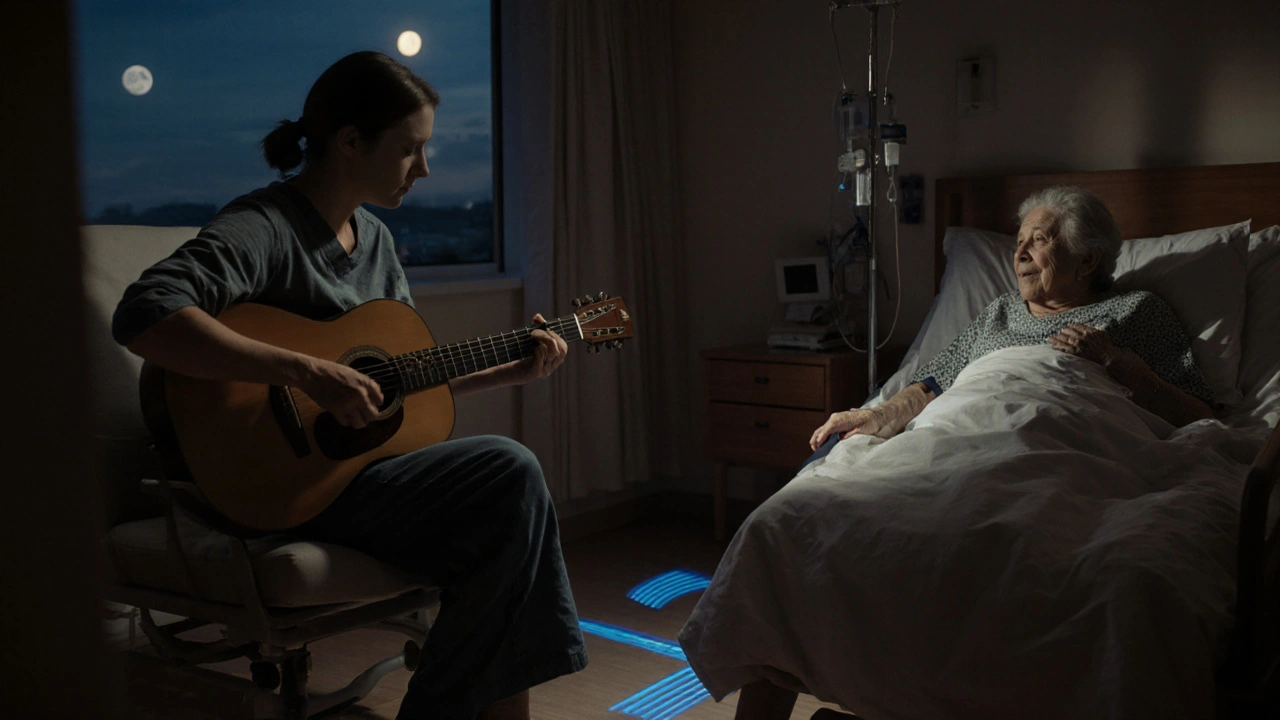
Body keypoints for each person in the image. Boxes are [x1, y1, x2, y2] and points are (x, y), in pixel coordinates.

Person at [112, 51, 586, 720]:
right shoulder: (264, 226)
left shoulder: (379, 242)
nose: (423, 169)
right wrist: (303, 369)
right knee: (511, 473)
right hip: (264, 481)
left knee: (510, 522)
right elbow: (144, 313)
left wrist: (513, 369)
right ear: (350, 141)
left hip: (356, 480)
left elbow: (394, 385)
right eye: (408, 150)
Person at [733, 184, 1217, 719]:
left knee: (1123, 584)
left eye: (1040, 239)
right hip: (963, 428)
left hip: (1070, 438)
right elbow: (931, 387)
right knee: (785, 517)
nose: (1021, 252)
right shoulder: (999, 315)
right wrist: (873, 415)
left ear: (1088, 259)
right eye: (1019, 241)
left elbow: (1197, 412)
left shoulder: (1138, 312)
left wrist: (1115, 361)